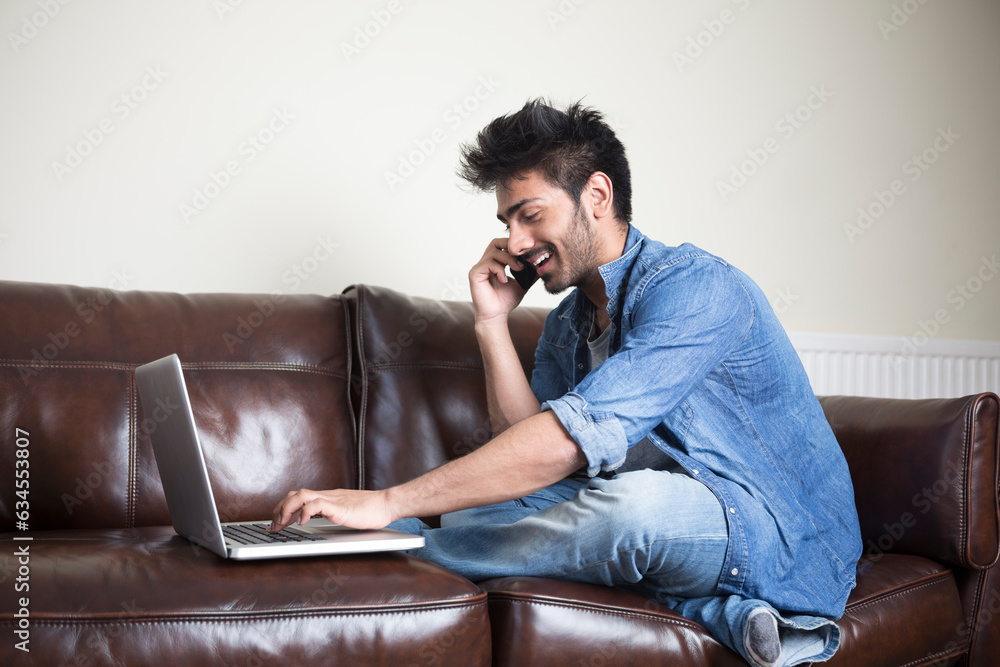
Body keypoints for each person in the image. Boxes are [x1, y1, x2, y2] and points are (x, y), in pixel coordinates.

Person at [271, 99, 863, 667]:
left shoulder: (698, 290)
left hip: (774, 530)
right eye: (507, 221)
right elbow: (529, 449)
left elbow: (563, 444)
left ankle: (399, 548)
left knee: (634, 513)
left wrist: (388, 503)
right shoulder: (569, 320)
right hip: (649, 509)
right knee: (481, 516)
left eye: (530, 214)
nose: (517, 242)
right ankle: (719, 611)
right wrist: (491, 321)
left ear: (597, 195)